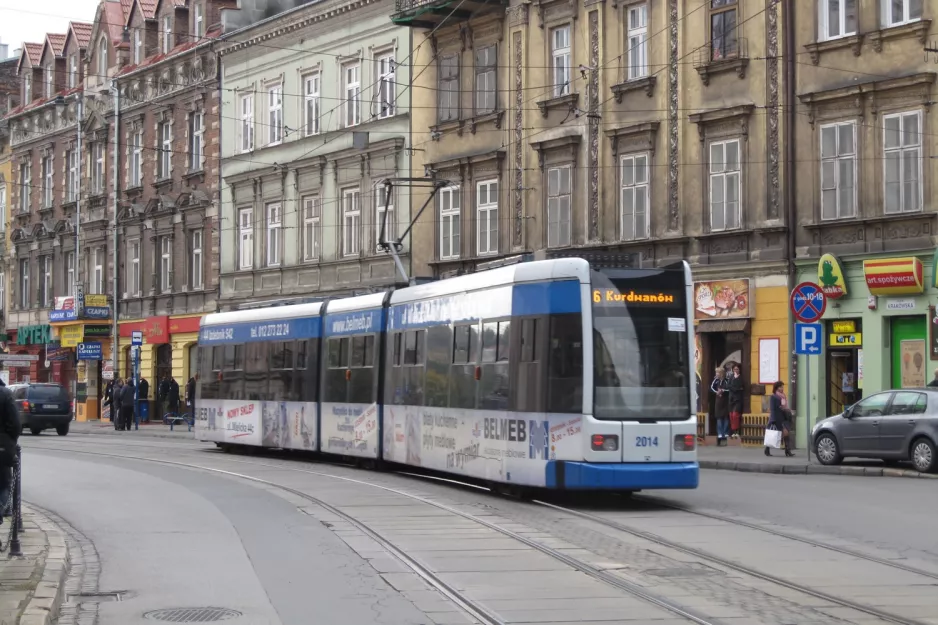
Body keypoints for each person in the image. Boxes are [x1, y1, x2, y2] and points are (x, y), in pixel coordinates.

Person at [0, 379, 20, 526]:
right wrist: (9, 441)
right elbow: (15, 424)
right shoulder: (5, 394)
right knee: (4, 483)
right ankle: (2, 511)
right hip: (1, 447)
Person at [766, 380, 793, 457]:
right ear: (776, 388)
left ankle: (787, 450)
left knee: (786, 433)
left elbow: (784, 406)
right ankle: (767, 449)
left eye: (782, 387)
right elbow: (772, 409)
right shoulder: (773, 397)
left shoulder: (783, 396)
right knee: (773, 434)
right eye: (780, 387)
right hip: (776, 418)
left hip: (783, 417)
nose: (782, 388)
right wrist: (773, 419)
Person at [710, 366, 729, 446]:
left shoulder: (727, 381)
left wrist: (723, 391)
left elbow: (729, 389)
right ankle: (720, 433)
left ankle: (725, 433)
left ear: (721, 373)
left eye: (717, 372)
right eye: (716, 372)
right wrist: (716, 392)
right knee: (719, 417)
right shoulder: (716, 381)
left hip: (725, 401)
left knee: (725, 417)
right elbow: (711, 388)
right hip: (718, 401)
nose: (716, 374)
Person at [728, 364, 744, 439]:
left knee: (735, 415)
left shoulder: (740, 378)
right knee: (731, 416)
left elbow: (739, 386)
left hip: (737, 399)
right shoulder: (731, 377)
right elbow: (728, 386)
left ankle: (736, 431)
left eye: (737, 369)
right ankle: (732, 431)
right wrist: (735, 388)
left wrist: (734, 387)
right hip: (731, 398)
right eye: (734, 369)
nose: (735, 371)